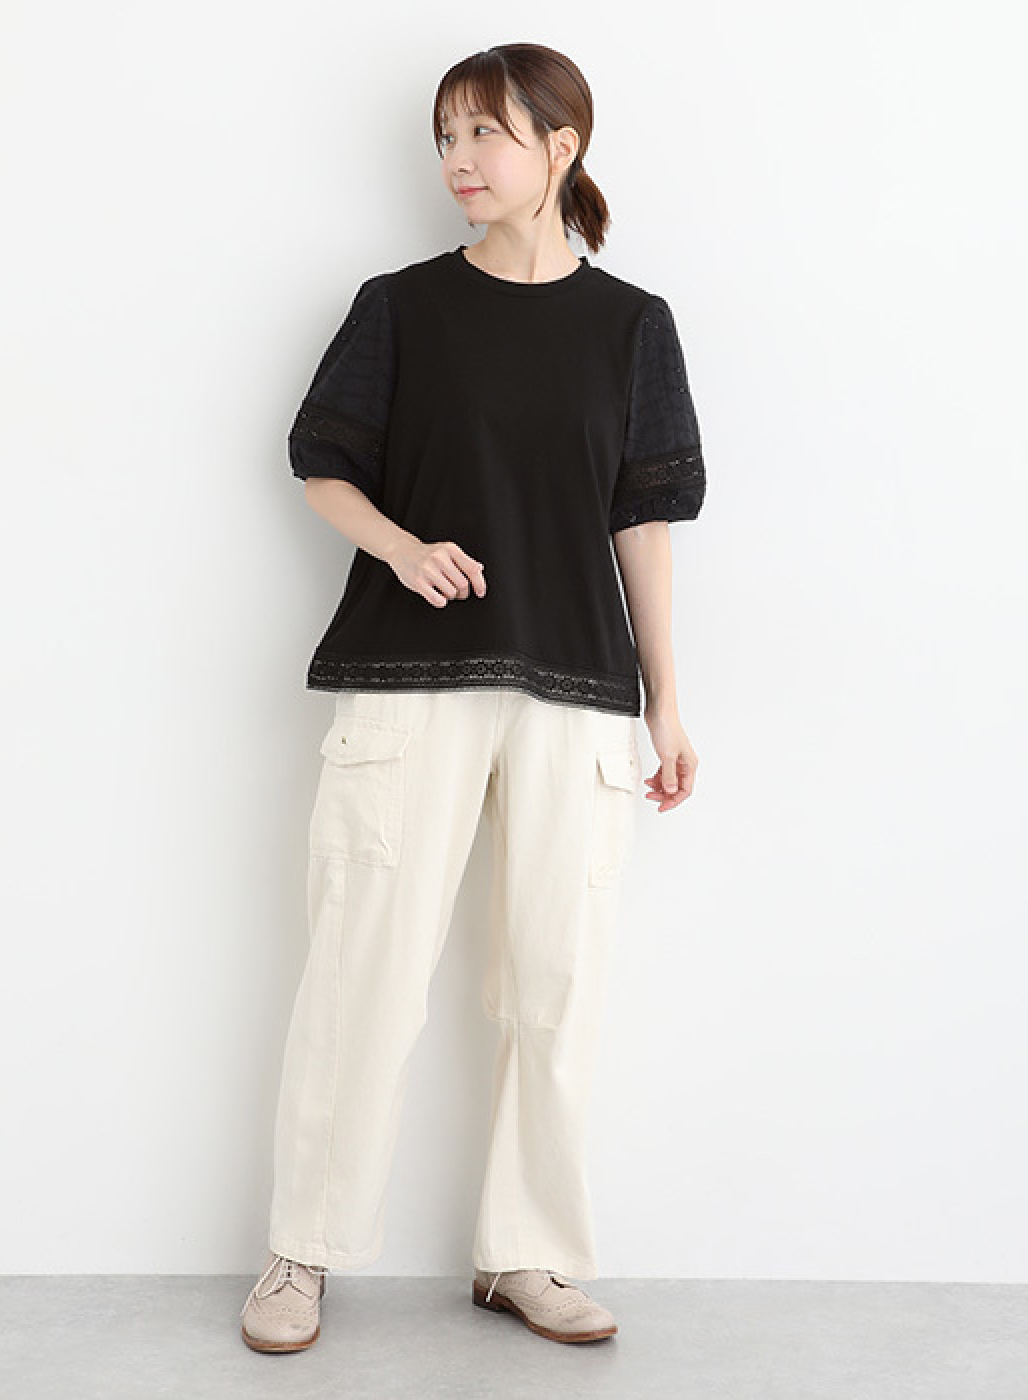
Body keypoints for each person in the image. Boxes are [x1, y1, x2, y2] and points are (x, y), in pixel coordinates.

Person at [241, 41, 707, 1353]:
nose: (459, 158)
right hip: (410, 681)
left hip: (577, 688)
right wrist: (400, 547)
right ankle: (301, 1251)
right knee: (365, 968)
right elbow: (320, 462)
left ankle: (527, 1253)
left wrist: (668, 703)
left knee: (555, 982)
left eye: (486, 132)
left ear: (562, 146)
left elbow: (644, 523)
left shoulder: (633, 328)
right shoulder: (400, 308)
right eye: (445, 135)